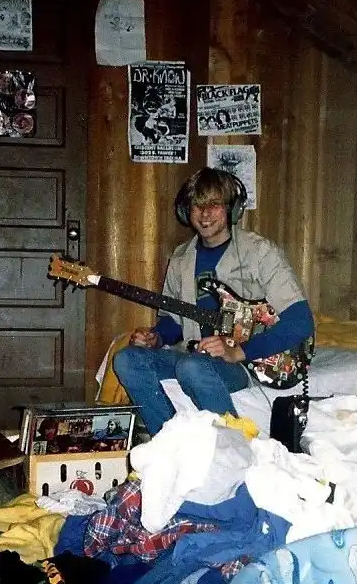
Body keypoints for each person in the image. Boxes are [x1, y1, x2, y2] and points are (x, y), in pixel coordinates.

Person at [112, 168, 315, 437]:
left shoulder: (260, 253)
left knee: (191, 367)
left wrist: (238, 352)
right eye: (197, 205)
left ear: (232, 209)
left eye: (214, 204)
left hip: (245, 362)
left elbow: (301, 322)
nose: (205, 214)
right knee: (127, 359)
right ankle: (169, 440)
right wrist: (156, 337)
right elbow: (175, 321)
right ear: (186, 212)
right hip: (196, 355)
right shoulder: (181, 258)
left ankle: (236, 445)